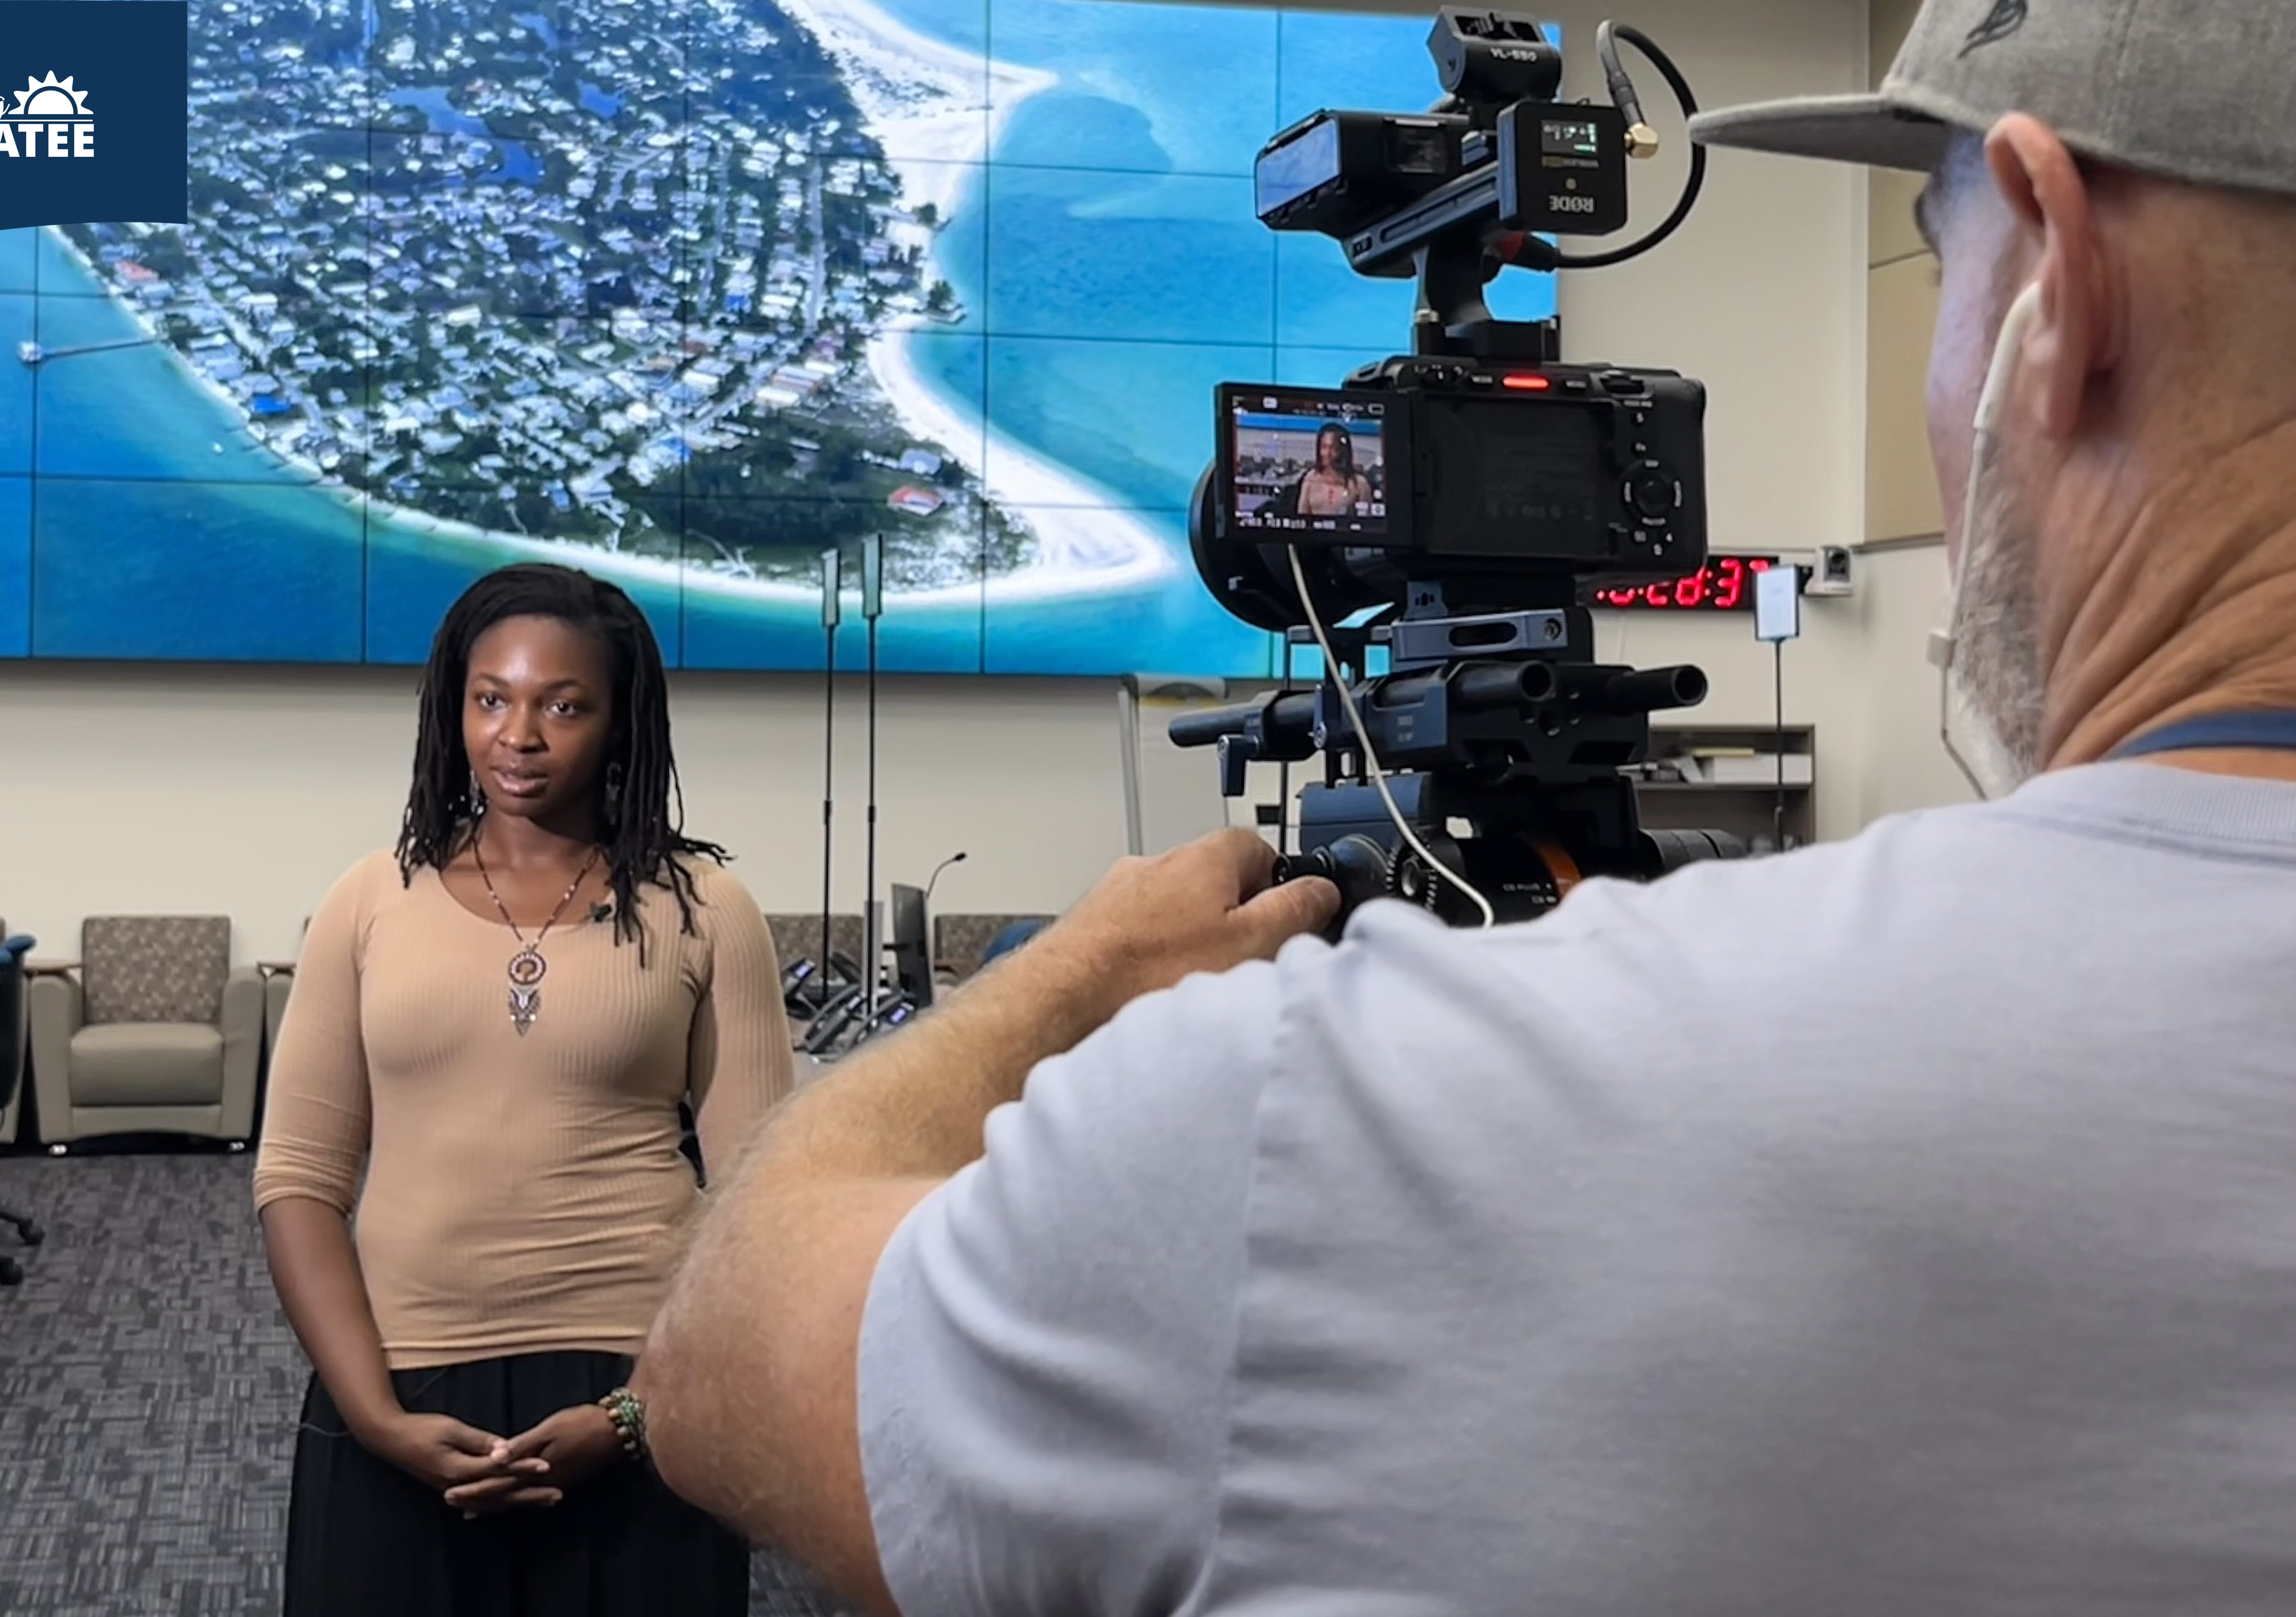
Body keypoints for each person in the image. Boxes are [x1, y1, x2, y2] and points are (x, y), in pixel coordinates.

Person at [630, 4, 2296, 1614]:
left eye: (1943, 270)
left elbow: (730, 1356)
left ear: (2056, 281)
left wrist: (1071, 980)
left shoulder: (1336, 1117)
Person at [253, 562, 793, 1617]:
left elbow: (762, 1212)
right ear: (452, 709)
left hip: (635, 1384)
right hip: (402, 1381)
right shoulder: (368, 900)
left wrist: (639, 1412)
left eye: (562, 704)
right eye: (490, 697)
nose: (520, 734)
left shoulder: (708, 909)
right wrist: (371, 1416)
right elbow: (298, 1181)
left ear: (620, 718)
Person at [1289, 420, 1372, 517]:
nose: (1328, 453)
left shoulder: (1360, 484)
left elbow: (1367, 522)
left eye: (1334, 448)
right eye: (1324, 447)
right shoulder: (1310, 478)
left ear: (1343, 451)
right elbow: (1302, 515)